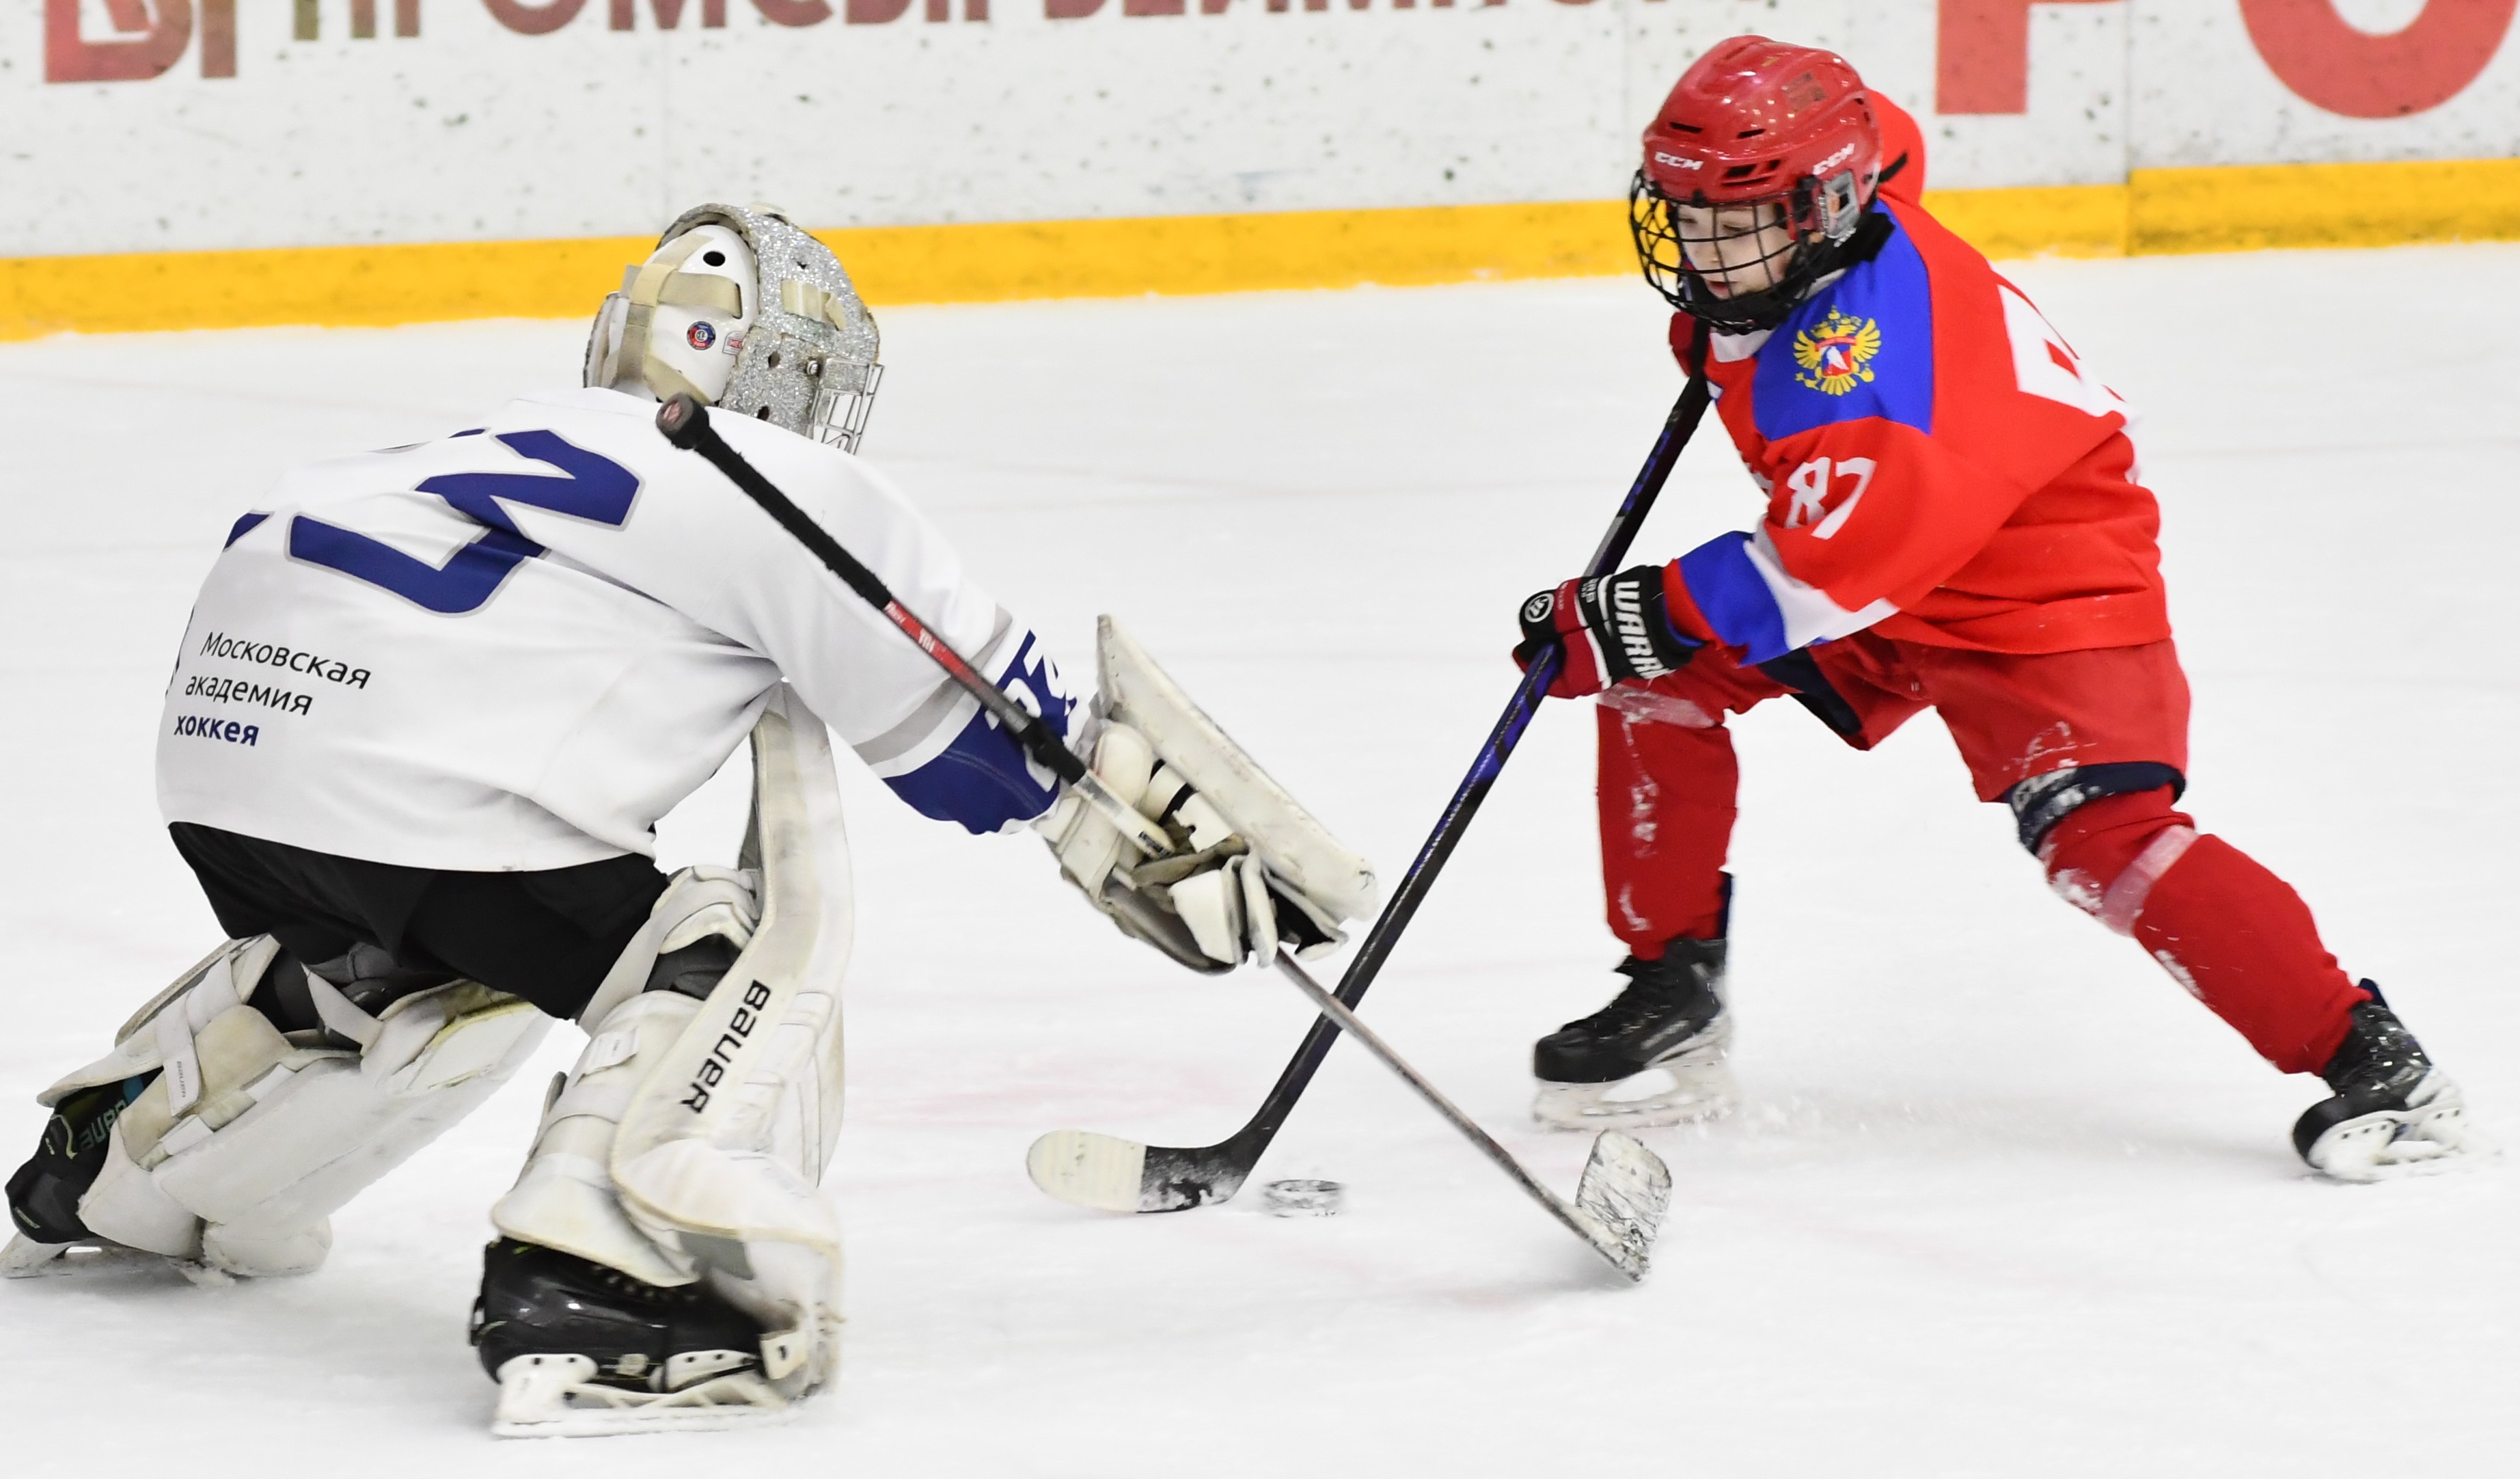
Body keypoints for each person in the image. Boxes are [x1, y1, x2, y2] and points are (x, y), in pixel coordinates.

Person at [1, 203, 1373, 1436]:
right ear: (776, 369)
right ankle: (609, 1267)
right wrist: (1177, 858)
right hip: (420, 794)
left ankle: (124, 1160)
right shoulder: (773, 477)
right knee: (722, 946)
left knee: (413, 971)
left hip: (224, 777)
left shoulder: (483, 436)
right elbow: (981, 750)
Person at [1510, 38, 2478, 1182]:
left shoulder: (1876, 370)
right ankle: (1673, 988)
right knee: (1655, 684)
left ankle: (2381, 1067)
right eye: (1688, 215)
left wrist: (1644, 612)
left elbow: (1816, 574)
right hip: (1895, 558)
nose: (1706, 252)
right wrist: (1652, 633)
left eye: (1743, 222)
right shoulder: (1849, 204)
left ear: (1824, 201)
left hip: (2045, 585)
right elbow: (1896, 145)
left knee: (2101, 841)